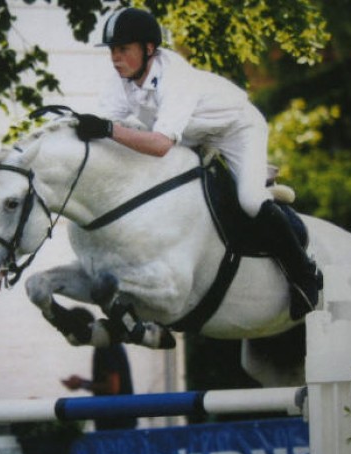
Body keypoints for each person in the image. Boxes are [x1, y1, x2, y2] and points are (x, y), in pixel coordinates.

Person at [74, 7, 322, 322]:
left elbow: (159, 144)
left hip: (236, 131)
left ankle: (304, 273)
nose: (115, 57)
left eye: (123, 49)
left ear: (149, 49)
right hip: (192, 139)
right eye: (112, 50)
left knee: (248, 200)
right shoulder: (119, 81)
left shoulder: (174, 77)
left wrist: (107, 129)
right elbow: (109, 129)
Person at [62, 343, 137, 431]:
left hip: (115, 423)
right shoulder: (113, 344)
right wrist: (82, 383)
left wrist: (82, 384)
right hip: (123, 419)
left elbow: (113, 388)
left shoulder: (105, 348)